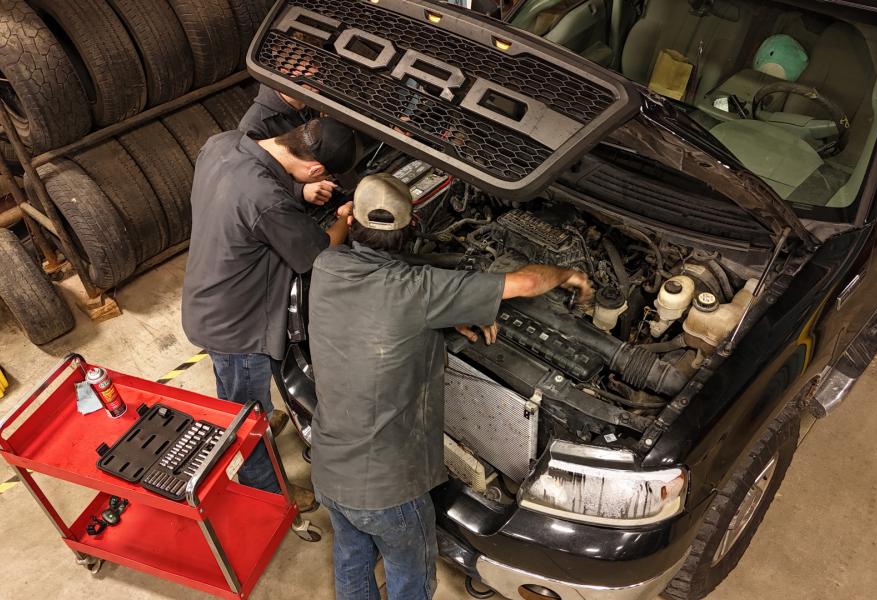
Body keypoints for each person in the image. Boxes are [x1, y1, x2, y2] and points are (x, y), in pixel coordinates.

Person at [307, 174, 593, 598]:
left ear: (352, 223)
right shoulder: (420, 290)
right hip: (388, 490)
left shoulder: (327, 266)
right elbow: (528, 282)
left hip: (329, 471)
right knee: (412, 576)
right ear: (411, 226)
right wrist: (571, 273)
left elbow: (377, 298)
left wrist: (443, 313)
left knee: (352, 559)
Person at [181, 118, 359, 512]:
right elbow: (318, 253)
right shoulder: (268, 200)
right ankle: (266, 490)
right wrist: (344, 220)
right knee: (248, 415)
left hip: (207, 298)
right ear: (316, 168)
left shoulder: (223, 142)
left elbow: (252, 193)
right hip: (238, 327)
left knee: (237, 396)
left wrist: (299, 189)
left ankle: (247, 420)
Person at [239, 85, 337, 208]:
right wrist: (300, 190)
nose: (316, 73)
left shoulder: (317, 96)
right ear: (283, 70)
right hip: (299, 201)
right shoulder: (252, 127)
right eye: (306, 66)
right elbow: (253, 182)